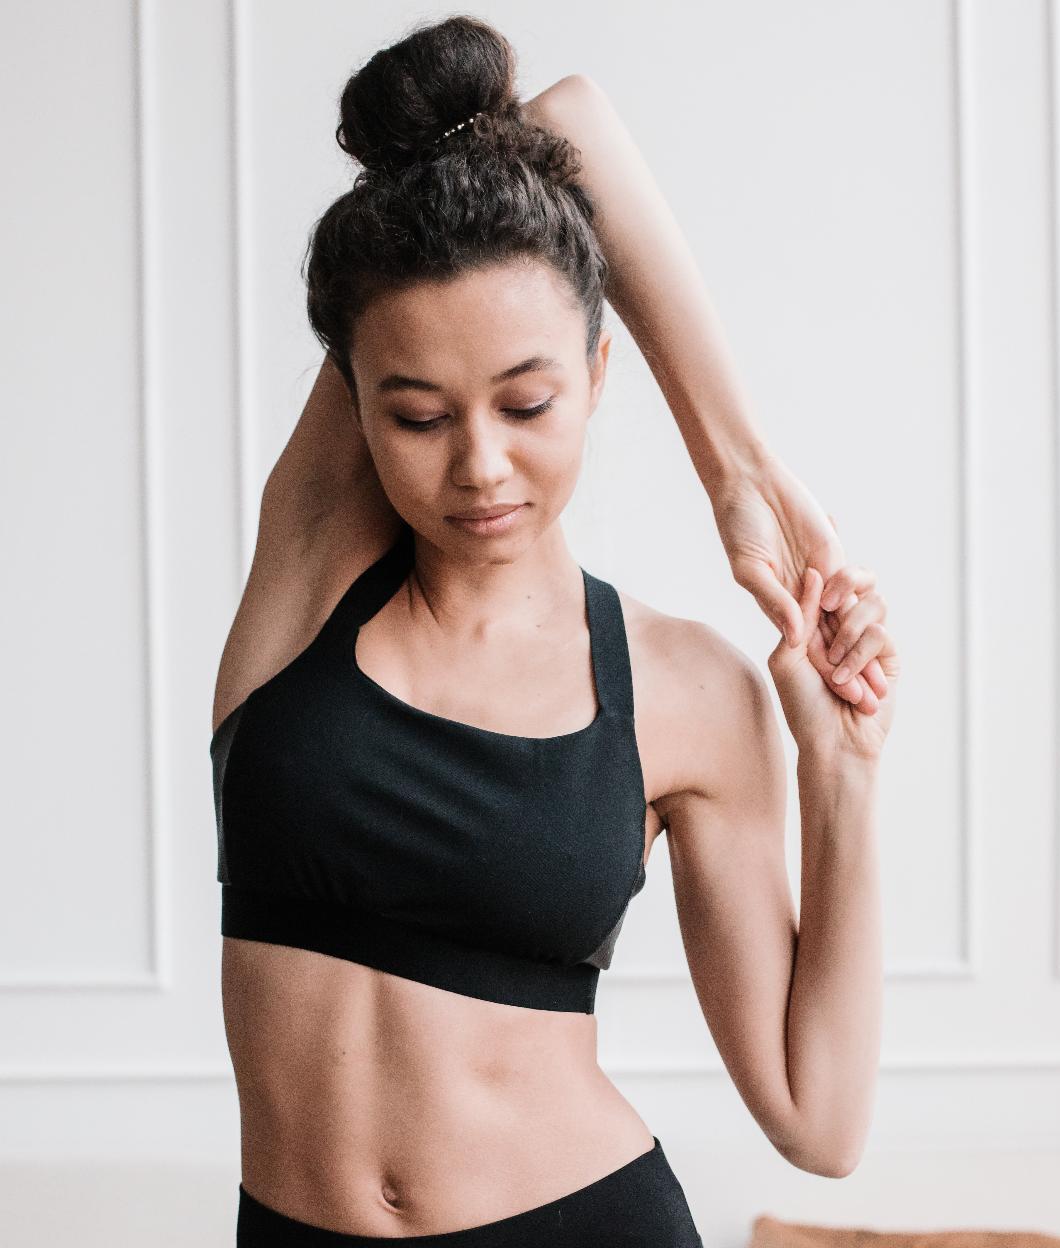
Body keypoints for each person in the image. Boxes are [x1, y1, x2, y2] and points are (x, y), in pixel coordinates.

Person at [212, 15, 900, 1246]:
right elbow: (562, 122)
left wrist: (840, 767)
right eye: (418, 417)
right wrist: (735, 469)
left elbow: (820, 1121)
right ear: (357, 406)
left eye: (527, 403)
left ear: (595, 373)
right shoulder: (308, 578)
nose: (480, 465)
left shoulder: (688, 690)